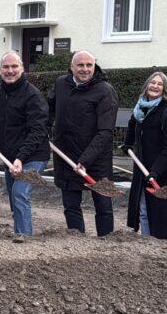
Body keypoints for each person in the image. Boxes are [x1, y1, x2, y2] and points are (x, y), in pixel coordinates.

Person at [48, 50, 118, 237]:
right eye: (80, 65)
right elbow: (48, 109)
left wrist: (86, 159)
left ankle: (106, 241)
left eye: (89, 65)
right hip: (67, 156)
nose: (85, 69)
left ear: (95, 66)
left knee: (103, 205)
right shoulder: (61, 84)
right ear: (72, 67)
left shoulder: (105, 91)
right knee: (71, 206)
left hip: (97, 159)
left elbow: (105, 131)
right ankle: (76, 241)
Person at [0, 51, 49, 237]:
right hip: (10, 156)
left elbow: (37, 131)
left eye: (14, 66)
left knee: (20, 193)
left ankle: (24, 238)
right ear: (0, 70)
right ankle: (20, 232)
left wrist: (21, 157)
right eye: (6, 67)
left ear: (22, 68)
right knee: (14, 197)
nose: (10, 71)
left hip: (33, 155)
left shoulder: (33, 96)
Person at [121, 72, 167, 240]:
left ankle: (161, 245)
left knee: (161, 215)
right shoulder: (140, 109)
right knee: (143, 209)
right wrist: (127, 144)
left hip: (166, 172)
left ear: (165, 89)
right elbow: (134, 125)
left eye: (160, 84)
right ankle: (146, 241)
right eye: (152, 82)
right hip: (144, 168)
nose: (155, 86)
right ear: (147, 85)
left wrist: (155, 171)